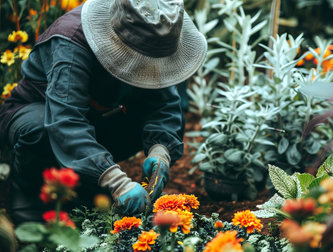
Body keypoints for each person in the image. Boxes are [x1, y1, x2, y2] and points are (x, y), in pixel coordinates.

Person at [0, 0, 206, 224]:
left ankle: (87, 191)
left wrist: (160, 150)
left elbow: (165, 104)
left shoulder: (155, 35)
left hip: (97, 120)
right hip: (41, 114)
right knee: (37, 130)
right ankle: (28, 199)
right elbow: (66, 121)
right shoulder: (71, 40)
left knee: (143, 131)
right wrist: (117, 181)